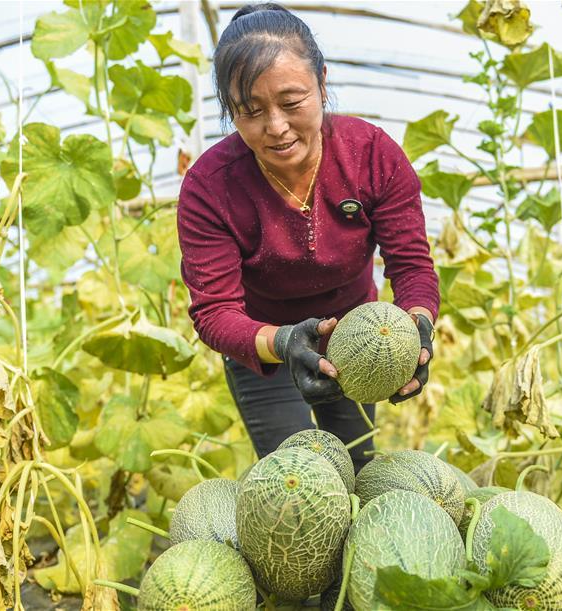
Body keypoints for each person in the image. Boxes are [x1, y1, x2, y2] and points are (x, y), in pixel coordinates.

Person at [176, 2, 439, 472]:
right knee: (297, 482)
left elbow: (412, 266)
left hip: (357, 338)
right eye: (250, 111)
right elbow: (214, 313)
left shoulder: (372, 154)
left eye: (292, 102)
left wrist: (417, 326)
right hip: (264, 346)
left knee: (357, 468)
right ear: (229, 110)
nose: (275, 127)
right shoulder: (209, 186)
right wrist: (283, 343)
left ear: (321, 81)